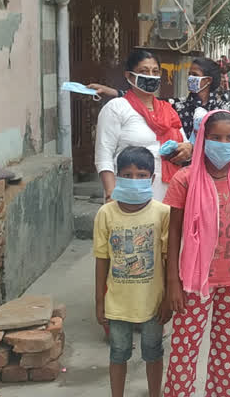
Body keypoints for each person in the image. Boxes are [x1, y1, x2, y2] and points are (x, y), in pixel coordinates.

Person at [162, 110, 230, 396]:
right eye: (216, 137)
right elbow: (174, 234)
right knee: (184, 350)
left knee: (229, 354)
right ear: (203, 140)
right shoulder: (185, 180)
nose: (224, 143)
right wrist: (173, 282)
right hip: (193, 281)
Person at [93, 146, 170, 397]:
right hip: (117, 304)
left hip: (152, 303)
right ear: (117, 177)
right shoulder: (106, 213)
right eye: (127, 175)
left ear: (153, 179)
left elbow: (168, 259)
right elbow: (102, 259)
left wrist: (168, 298)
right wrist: (99, 300)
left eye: (141, 175)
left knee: (153, 353)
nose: (134, 180)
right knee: (117, 354)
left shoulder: (163, 213)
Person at [95, 49, 190, 202]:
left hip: (167, 192)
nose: (150, 76)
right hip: (128, 193)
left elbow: (183, 144)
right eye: (144, 71)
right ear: (129, 76)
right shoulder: (117, 108)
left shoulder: (168, 110)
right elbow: (103, 154)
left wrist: (187, 149)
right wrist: (110, 193)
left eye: (155, 71)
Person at [90, 57, 230, 139]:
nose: (190, 78)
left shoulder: (223, 108)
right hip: (182, 171)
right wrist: (111, 91)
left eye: (195, 75)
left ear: (208, 80)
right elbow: (146, 100)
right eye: (189, 74)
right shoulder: (178, 105)